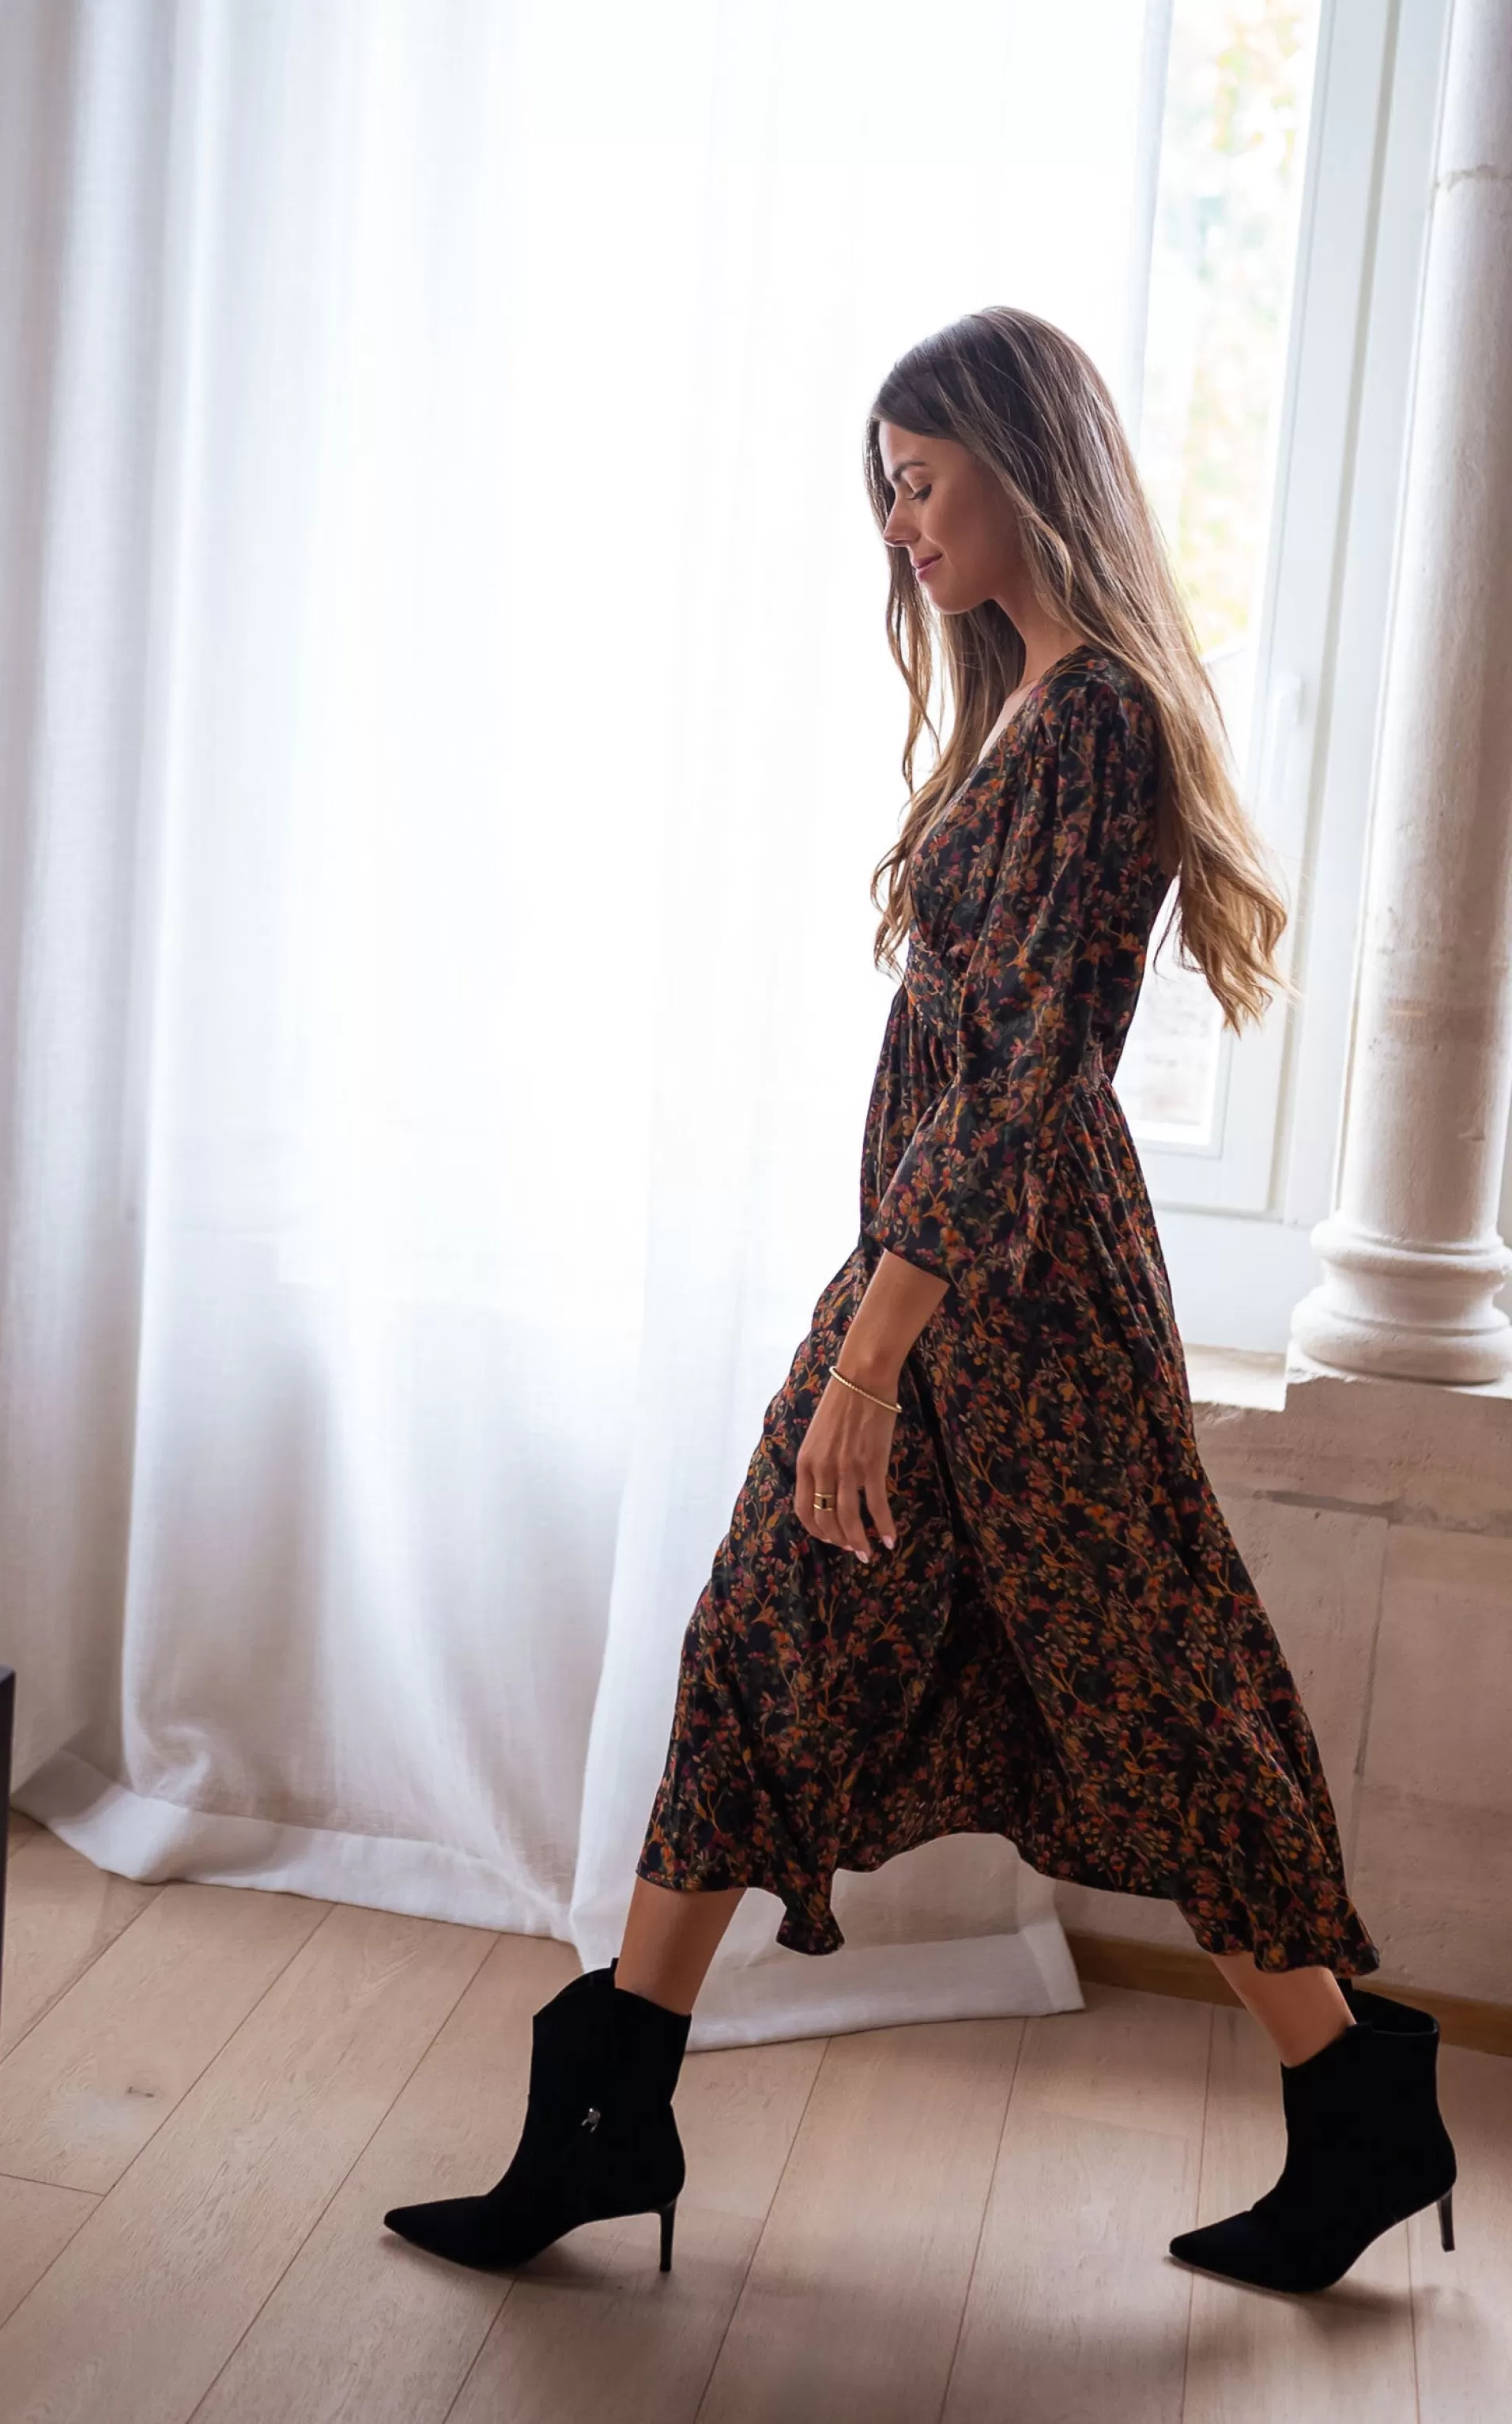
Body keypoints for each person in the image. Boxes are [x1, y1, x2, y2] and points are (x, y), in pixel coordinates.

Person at [383, 307, 1457, 2297]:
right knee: (763, 1647)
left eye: (921, 480)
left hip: (1011, 1312)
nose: (899, 526)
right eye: (885, 491)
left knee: (1158, 1700)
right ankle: (613, 2109)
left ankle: (1358, 2108)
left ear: (1022, 464)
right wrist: (880, 1324)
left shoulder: (1097, 717)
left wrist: (874, 1353)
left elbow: (1030, 1069)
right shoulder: (1029, 702)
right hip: (942, 1276)